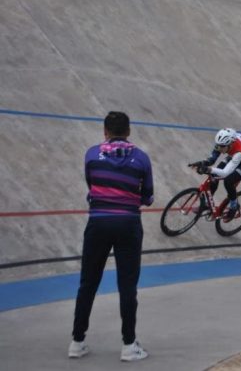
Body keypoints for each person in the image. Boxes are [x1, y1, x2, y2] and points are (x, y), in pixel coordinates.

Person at [69, 111, 153, 362]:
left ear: (105, 132)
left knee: (88, 283)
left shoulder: (92, 155)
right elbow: (148, 196)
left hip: (98, 222)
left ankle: (77, 341)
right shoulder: (141, 158)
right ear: (128, 132)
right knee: (127, 286)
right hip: (128, 223)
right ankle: (129, 345)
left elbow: (90, 184)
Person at [191, 128, 241, 221]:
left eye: (222, 147)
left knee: (229, 181)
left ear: (231, 144)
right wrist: (202, 163)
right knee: (213, 175)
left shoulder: (239, 151)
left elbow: (225, 173)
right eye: (218, 146)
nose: (219, 149)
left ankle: (234, 207)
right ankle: (208, 204)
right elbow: (212, 159)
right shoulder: (222, 143)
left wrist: (207, 169)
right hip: (237, 155)